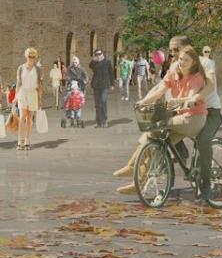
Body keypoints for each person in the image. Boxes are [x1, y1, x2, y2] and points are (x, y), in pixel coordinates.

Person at [118, 43, 210, 195]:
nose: (181, 62)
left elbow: (193, 95)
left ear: (193, 62)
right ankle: (137, 177)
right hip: (181, 119)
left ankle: (133, 167)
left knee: (158, 126)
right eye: (180, 59)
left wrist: (180, 101)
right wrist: (144, 101)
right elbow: (160, 90)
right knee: (153, 138)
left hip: (194, 119)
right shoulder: (173, 72)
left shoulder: (197, 77)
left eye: (186, 60)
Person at [14, 48, 43, 151]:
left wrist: (40, 99)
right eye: (29, 56)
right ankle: (19, 140)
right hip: (23, 93)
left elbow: (39, 85)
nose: (31, 58)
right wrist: (15, 97)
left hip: (33, 93)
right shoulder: (21, 68)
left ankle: (27, 140)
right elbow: (18, 83)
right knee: (22, 117)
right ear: (26, 56)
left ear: (35, 57)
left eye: (33, 57)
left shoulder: (38, 69)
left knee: (30, 119)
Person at [90, 50, 115, 128]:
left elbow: (111, 73)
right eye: (96, 54)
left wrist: (112, 84)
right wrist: (93, 60)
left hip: (104, 85)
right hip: (96, 85)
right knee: (97, 104)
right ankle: (99, 122)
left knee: (103, 102)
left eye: (99, 54)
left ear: (102, 54)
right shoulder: (95, 63)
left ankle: (104, 121)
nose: (98, 55)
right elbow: (90, 66)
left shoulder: (107, 62)